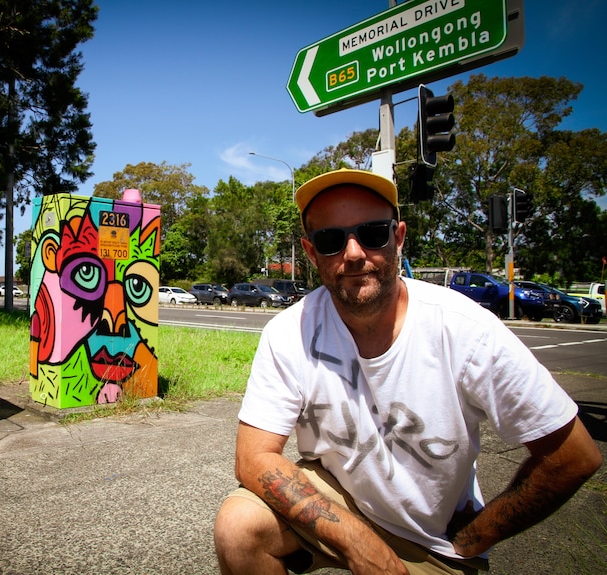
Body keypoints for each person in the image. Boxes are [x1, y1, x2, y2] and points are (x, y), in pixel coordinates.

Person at [213, 168, 602, 575]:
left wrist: (477, 536)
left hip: (434, 538)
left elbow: (573, 455)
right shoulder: (289, 331)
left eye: (372, 233)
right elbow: (253, 456)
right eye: (331, 240)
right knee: (240, 526)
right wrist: (356, 540)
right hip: (340, 501)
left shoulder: (464, 328)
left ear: (398, 238)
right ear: (312, 255)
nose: (353, 253)